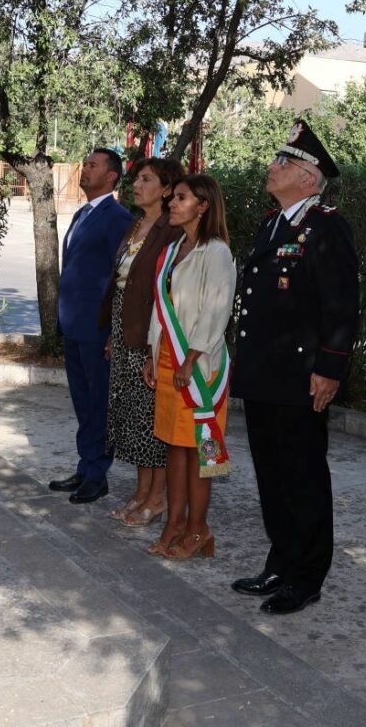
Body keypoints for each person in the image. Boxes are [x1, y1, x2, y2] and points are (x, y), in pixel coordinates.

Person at [230, 121, 359, 615]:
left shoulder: (326, 226)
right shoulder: (273, 223)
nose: (272, 167)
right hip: (264, 374)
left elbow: (342, 306)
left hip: (301, 377)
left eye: (282, 162)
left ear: (309, 177)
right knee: (270, 474)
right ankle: (280, 561)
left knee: (302, 477)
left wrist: (330, 369)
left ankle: (306, 576)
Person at [145, 174, 237, 562]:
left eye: (181, 198)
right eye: (173, 197)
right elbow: (159, 309)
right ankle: (176, 523)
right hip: (168, 360)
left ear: (203, 205)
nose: (172, 203)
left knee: (203, 451)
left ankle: (199, 528)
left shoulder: (216, 252)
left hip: (200, 368)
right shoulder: (172, 250)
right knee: (175, 448)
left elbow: (218, 309)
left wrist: (192, 357)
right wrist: (153, 356)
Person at [102, 156, 184, 526]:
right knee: (132, 416)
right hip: (124, 327)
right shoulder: (136, 224)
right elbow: (122, 280)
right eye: (136, 179)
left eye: (146, 179)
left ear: (166, 190)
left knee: (152, 418)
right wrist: (113, 333)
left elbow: (166, 292)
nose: (136, 184)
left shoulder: (171, 230)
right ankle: (141, 490)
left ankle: (158, 497)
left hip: (152, 334)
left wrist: (156, 345)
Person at [50, 149, 135, 504]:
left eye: (93, 165)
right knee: (83, 403)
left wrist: (115, 329)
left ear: (112, 176)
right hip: (74, 325)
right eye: (85, 164)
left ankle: (98, 475)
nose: (84, 169)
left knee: (99, 403)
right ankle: (86, 466)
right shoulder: (83, 213)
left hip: (97, 330)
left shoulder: (118, 219)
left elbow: (122, 278)